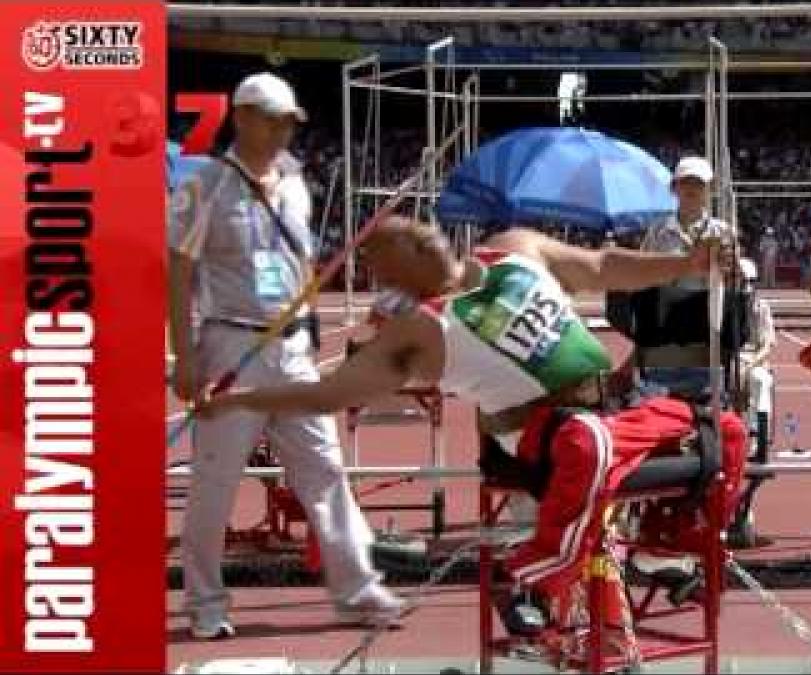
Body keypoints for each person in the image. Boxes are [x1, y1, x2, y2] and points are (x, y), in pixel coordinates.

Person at [199, 218, 748, 631]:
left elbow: (602, 265)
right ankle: (531, 577)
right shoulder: (417, 330)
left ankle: (666, 546)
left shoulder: (517, 248)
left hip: (615, 414)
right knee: (588, 442)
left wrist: (686, 264)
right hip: (547, 439)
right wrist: (238, 400)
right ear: (393, 275)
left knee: (720, 429)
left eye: (417, 225)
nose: (420, 233)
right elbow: (327, 394)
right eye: (400, 243)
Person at [168, 72, 400, 639]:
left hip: (293, 345)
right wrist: (186, 355)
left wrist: (312, 326)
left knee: (324, 468)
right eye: (271, 120)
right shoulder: (204, 186)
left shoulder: (296, 180)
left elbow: (297, 265)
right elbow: (178, 271)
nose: (281, 132)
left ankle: (357, 588)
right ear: (241, 116)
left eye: (289, 122)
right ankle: (204, 602)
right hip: (230, 344)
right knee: (216, 480)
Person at [637, 156, 735, 398]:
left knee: (707, 412)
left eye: (698, 183)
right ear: (674, 188)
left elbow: (733, 281)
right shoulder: (657, 232)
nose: (691, 189)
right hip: (664, 336)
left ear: (709, 189)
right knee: (660, 411)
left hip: (707, 336)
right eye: (685, 182)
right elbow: (642, 277)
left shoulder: (723, 232)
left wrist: (729, 267)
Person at [737, 258, 775, 459]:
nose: (748, 286)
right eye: (743, 281)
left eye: (752, 281)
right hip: (727, 360)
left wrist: (748, 365)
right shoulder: (722, 305)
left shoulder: (762, 308)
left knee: (761, 381)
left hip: (754, 360)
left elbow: (767, 346)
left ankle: (756, 436)